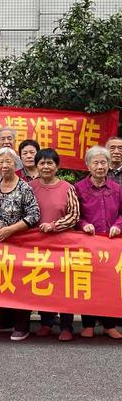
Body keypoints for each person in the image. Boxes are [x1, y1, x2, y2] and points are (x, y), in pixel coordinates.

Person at [0, 147, 40, 341]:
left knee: (19, 284)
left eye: (8, 161)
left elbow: (34, 215)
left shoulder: (24, 187)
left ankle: (22, 325)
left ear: (16, 164)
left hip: (19, 242)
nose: (4, 165)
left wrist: (11, 230)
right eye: (0, 162)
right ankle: (5, 321)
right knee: (3, 282)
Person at [30, 148, 80, 342]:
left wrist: (54, 226)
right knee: (42, 282)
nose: (46, 166)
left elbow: (75, 215)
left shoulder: (68, 187)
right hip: (36, 245)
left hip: (62, 244)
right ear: (37, 166)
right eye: (41, 163)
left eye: (50, 163)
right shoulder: (30, 186)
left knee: (63, 285)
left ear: (57, 166)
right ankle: (46, 322)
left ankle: (67, 326)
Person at [74, 145, 122, 339]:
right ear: (88, 165)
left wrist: (118, 225)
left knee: (108, 283)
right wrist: (83, 224)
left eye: (104, 162)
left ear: (109, 165)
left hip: (111, 244)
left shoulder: (117, 188)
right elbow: (74, 215)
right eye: (96, 162)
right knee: (88, 283)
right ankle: (88, 324)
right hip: (87, 242)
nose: (100, 166)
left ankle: (109, 325)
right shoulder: (78, 188)